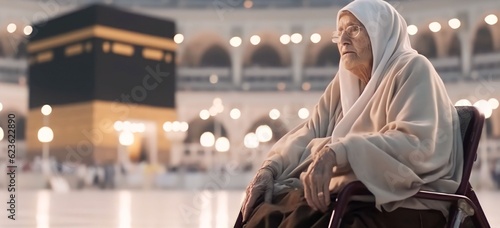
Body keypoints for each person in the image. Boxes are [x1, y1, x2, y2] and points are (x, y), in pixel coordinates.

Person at [241, 0, 465, 227]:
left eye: (354, 29)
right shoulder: (344, 84)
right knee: (267, 212)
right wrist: (270, 167)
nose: (344, 40)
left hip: (404, 202)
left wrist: (338, 152)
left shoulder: (413, 69)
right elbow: (310, 132)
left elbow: (416, 144)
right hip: (353, 196)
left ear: (381, 32)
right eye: (339, 33)